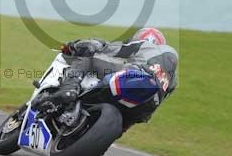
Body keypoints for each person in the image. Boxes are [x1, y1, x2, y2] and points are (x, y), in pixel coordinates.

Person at [39, 27, 178, 130]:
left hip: (135, 74)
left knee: (90, 56)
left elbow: (109, 48)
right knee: (122, 126)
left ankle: (69, 88)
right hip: (147, 106)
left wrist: (79, 45)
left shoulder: (144, 46)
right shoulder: (173, 79)